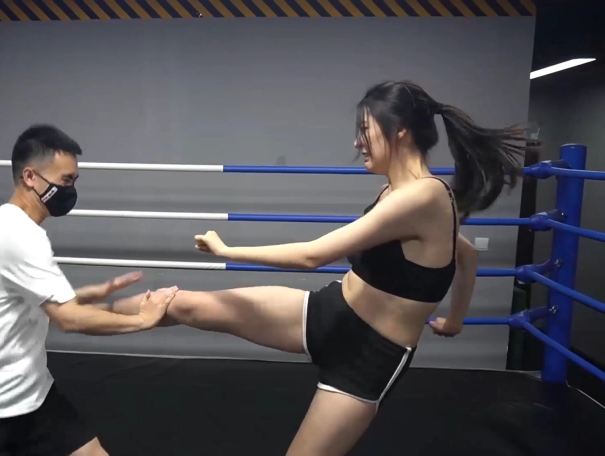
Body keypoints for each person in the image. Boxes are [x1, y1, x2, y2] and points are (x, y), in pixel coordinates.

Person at [105, 81, 528, 455]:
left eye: (365, 130)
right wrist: (454, 321)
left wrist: (228, 250)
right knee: (182, 305)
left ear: (399, 130)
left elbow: (313, 255)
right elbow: (466, 254)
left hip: (368, 357)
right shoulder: (402, 194)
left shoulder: (424, 196)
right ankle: (80, 314)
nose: (358, 143)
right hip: (328, 313)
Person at [0, 124, 178, 456]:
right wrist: (143, 320)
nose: (70, 190)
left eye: (74, 181)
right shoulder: (18, 236)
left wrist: (96, 292)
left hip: (30, 393)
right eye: (65, 180)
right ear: (30, 177)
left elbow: (28, 301)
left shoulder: (15, 225)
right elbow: (68, 319)